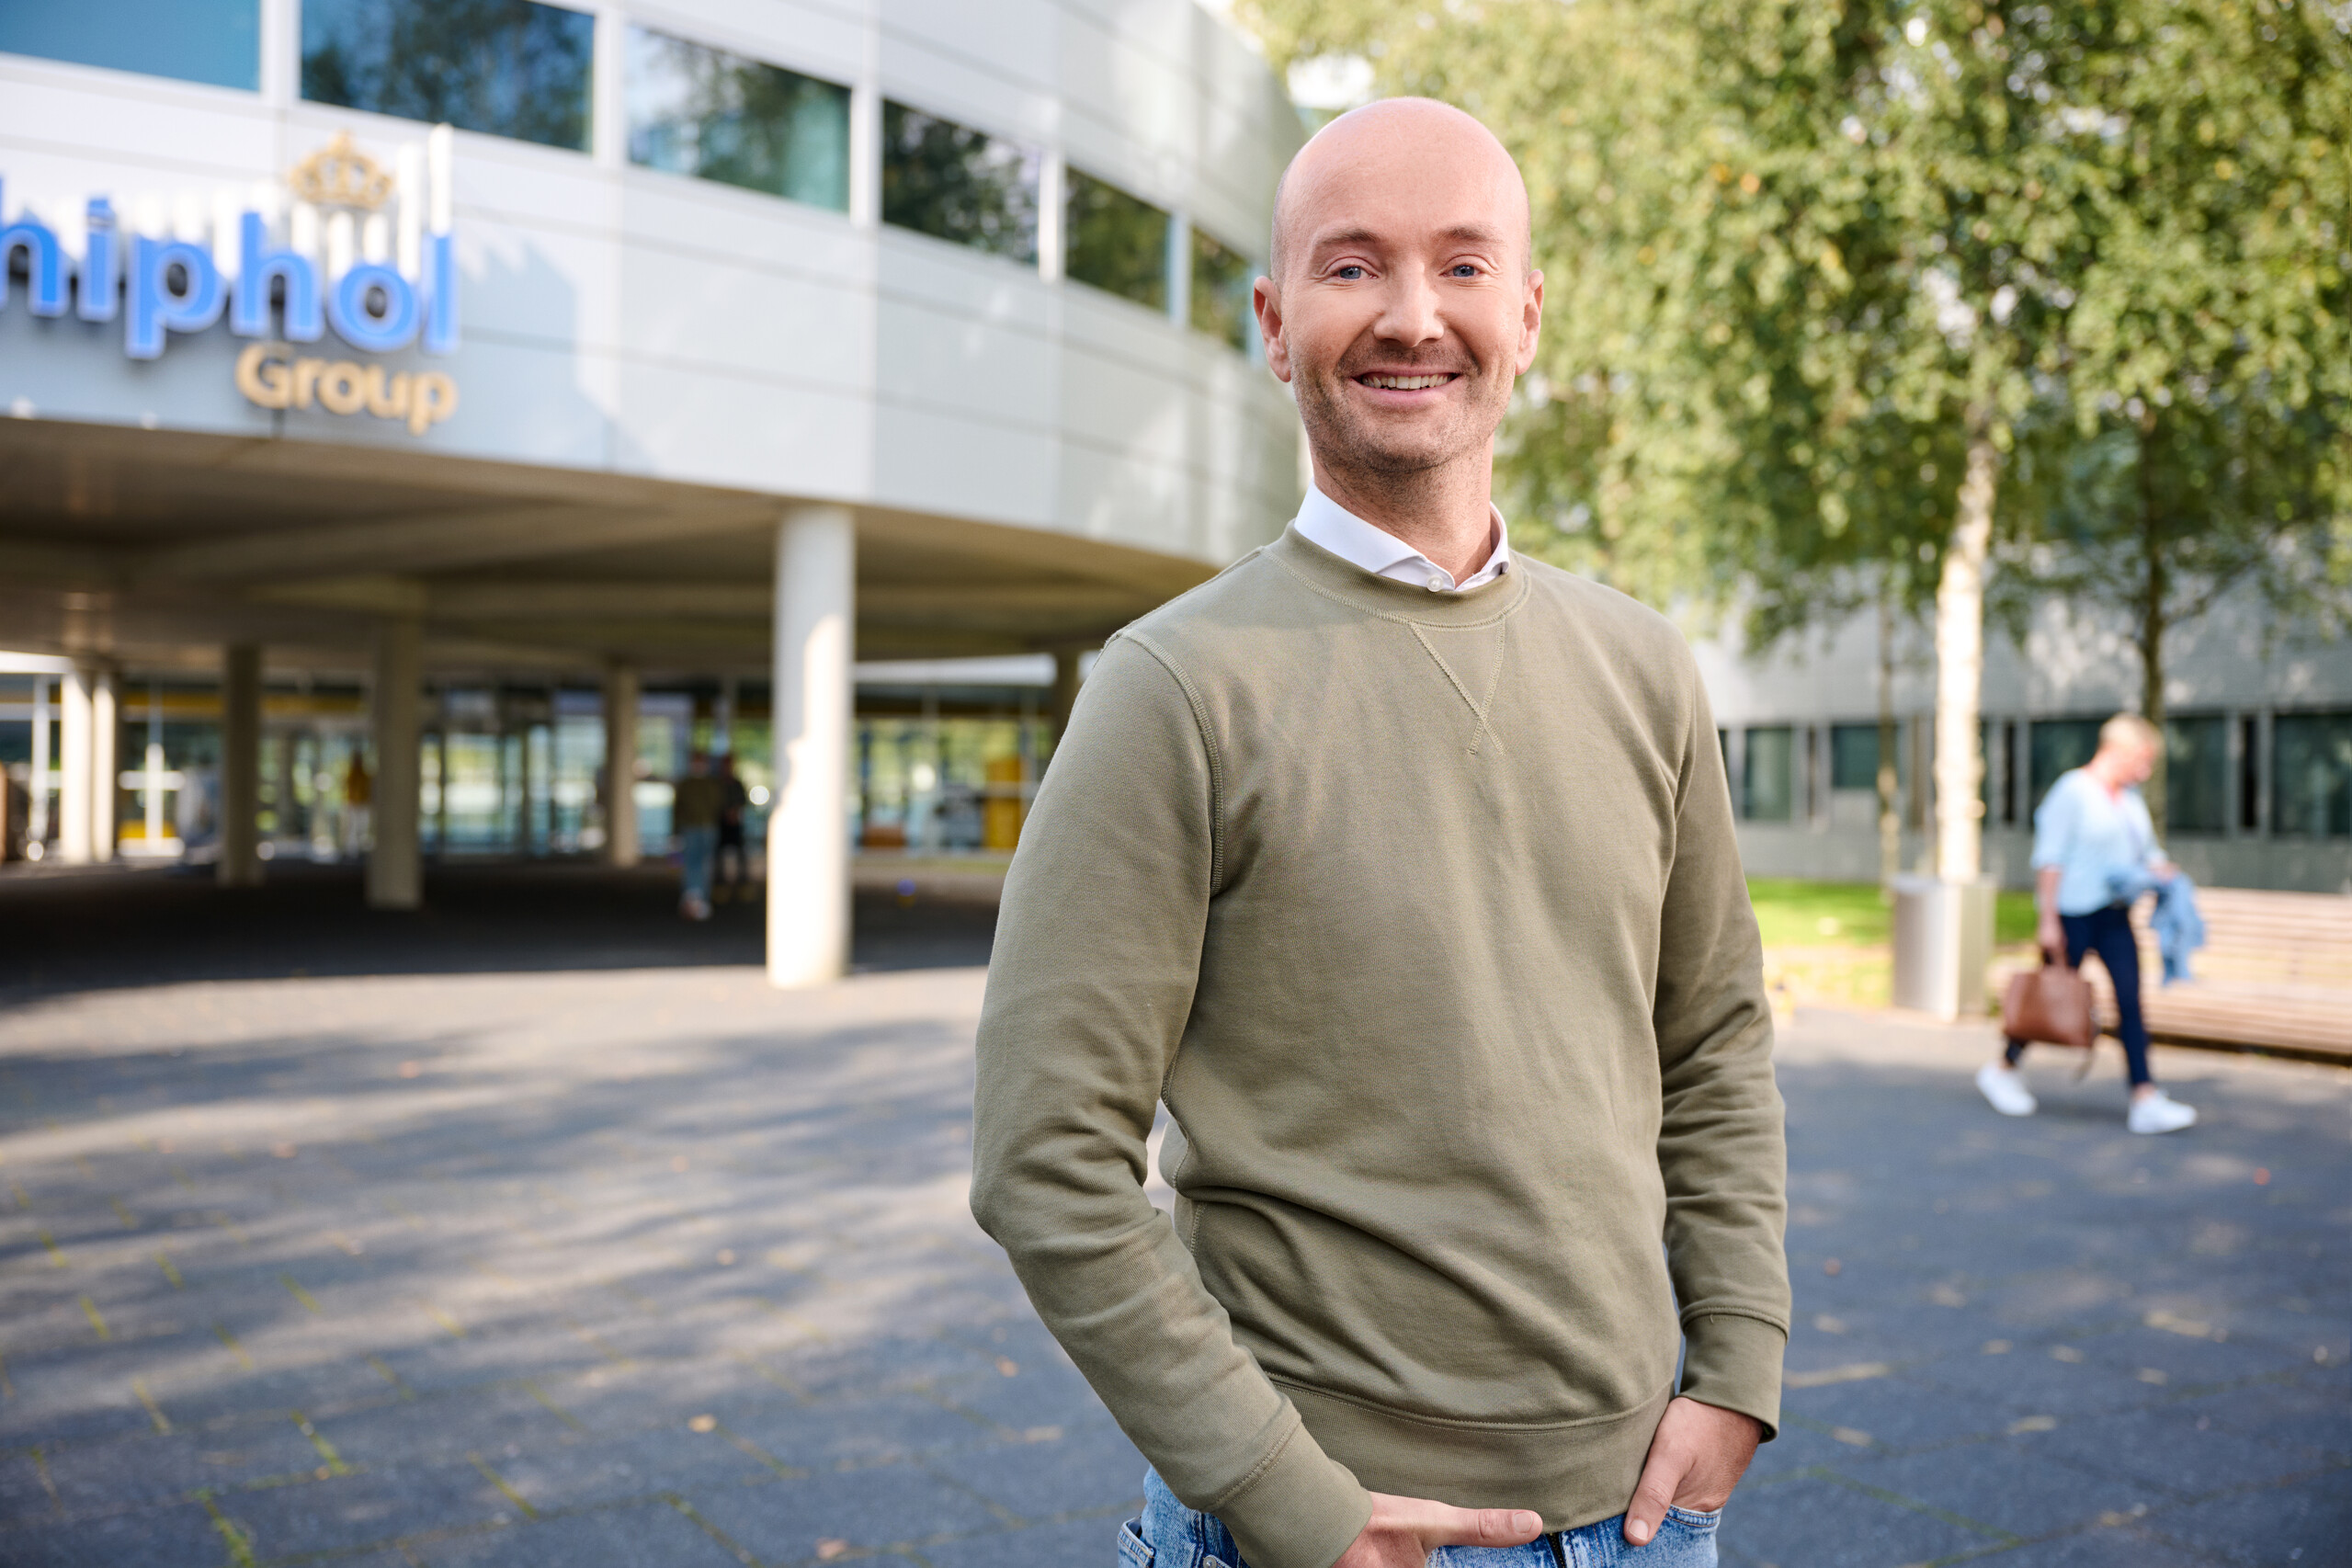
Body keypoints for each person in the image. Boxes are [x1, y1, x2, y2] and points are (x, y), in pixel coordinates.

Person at [971, 99, 1787, 1568]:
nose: (1412, 316)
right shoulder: (1171, 688)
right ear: (1273, 325)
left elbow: (1711, 1040)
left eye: (1462, 266)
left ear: (1524, 315)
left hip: (1644, 1519)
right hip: (1323, 1532)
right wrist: (1282, 1492)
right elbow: (1043, 1155)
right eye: (1350, 268)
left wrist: (1737, 1358)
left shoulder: (1642, 667)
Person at [1978, 713, 2198, 1135]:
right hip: (2073, 914)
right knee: (2049, 997)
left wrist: (2162, 871)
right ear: (2116, 750)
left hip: (2114, 913)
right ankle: (2002, 1069)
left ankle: (2144, 1097)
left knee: (2130, 1002)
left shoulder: (2129, 799)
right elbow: (2050, 859)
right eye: (2142, 760)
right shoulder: (2072, 791)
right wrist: (2047, 920)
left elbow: (2145, 851)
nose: (2145, 771)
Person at [670, 751, 722, 922]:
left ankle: (700, 900)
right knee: (693, 863)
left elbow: (717, 804)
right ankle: (692, 899)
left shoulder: (708, 783)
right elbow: (678, 808)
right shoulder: (688, 784)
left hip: (705, 827)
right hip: (692, 827)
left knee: (702, 863)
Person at [712, 754, 750, 903]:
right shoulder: (717, 783)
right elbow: (715, 802)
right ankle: (720, 884)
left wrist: (734, 812)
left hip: (735, 824)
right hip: (721, 824)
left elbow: (743, 801)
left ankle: (743, 883)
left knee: (741, 854)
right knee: (719, 855)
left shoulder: (736, 783)